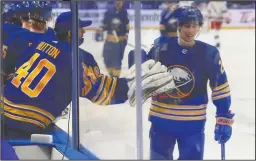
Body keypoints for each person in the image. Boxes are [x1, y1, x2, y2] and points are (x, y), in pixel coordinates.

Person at [1, 11, 176, 140]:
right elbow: (102, 93)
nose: (84, 32)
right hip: (25, 124)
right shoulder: (78, 58)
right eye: (81, 29)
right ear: (71, 33)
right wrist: (131, 85)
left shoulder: (40, 43)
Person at [129, 6, 235, 160]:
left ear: (199, 27)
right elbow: (142, 79)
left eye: (195, 26)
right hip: (161, 122)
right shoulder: (161, 48)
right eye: (186, 26)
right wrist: (137, 62)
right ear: (179, 26)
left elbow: (220, 88)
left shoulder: (209, 54)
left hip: (193, 126)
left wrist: (223, 116)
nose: (190, 31)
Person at [98, 0, 129, 77]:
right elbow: (104, 25)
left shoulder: (124, 13)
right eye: (117, 1)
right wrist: (101, 30)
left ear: (123, 2)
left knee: (117, 62)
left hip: (120, 42)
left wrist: (126, 35)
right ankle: (112, 75)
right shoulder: (108, 12)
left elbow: (126, 26)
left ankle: (115, 79)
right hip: (110, 41)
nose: (118, 3)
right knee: (106, 59)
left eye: (120, 1)